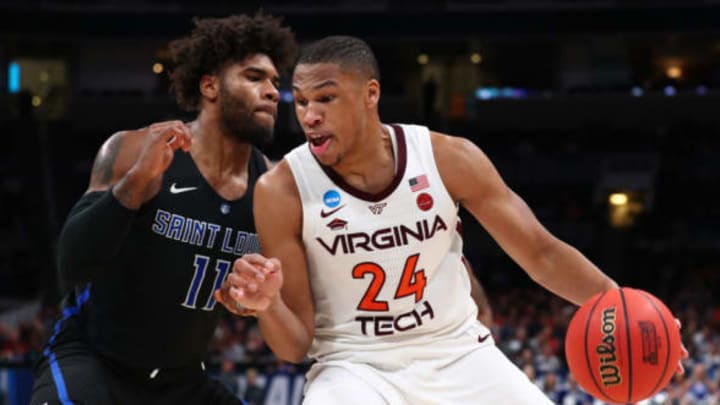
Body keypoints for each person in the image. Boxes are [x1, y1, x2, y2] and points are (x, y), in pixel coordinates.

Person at [215, 36, 683, 403]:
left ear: (369, 94)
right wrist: (267, 306)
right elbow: (295, 346)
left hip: (459, 353)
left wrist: (628, 308)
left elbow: (540, 253)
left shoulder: (447, 158)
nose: (309, 116)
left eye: (326, 99)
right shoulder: (282, 189)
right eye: (300, 102)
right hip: (354, 367)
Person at [30, 14, 297, 405]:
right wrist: (136, 184)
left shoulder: (271, 187)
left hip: (182, 380)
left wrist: (248, 301)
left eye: (275, 81)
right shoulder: (135, 150)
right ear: (210, 86)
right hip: (94, 360)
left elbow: (249, 296)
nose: (273, 91)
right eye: (255, 77)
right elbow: (71, 266)